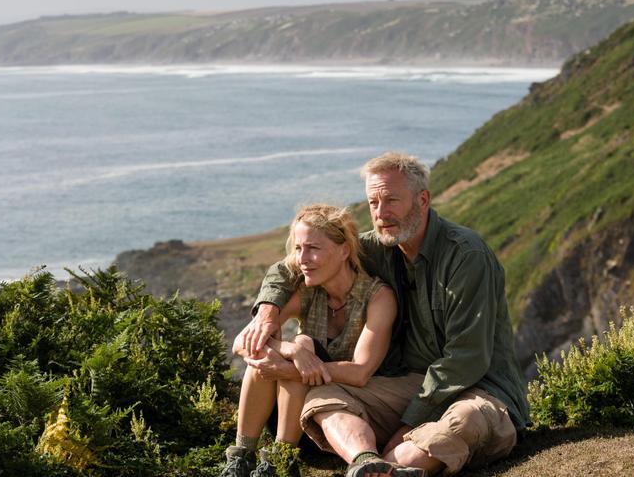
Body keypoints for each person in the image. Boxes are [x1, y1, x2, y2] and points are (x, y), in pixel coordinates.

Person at [242, 152, 529, 477]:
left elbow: (466, 359)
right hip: (409, 385)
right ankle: (365, 460)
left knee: (462, 423)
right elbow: (291, 267)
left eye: (391, 200)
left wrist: (406, 424)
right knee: (325, 396)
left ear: (423, 199)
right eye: (373, 203)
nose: (381, 214)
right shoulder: (378, 246)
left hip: (477, 388)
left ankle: (391, 464)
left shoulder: (466, 256)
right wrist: (267, 313)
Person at [222, 204, 397, 477]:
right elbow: (241, 343)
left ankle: (281, 461)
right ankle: (241, 458)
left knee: (304, 343)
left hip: (338, 421)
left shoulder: (378, 297)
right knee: (275, 350)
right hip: (291, 419)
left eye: (313, 248)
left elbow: (361, 372)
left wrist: (296, 362)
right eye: (299, 249)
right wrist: (290, 350)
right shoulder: (309, 292)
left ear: (344, 251)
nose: (303, 258)